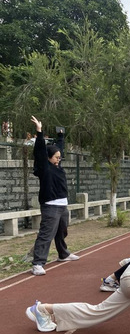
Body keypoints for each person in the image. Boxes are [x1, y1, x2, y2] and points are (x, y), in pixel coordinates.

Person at [30, 116, 79, 276]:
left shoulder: (57, 166)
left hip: (62, 205)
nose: (59, 159)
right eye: (56, 157)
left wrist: (61, 136)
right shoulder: (45, 167)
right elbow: (39, 151)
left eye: (60, 157)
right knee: (46, 235)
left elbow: (59, 149)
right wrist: (39, 132)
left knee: (61, 232)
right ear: (48, 157)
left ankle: (63, 254)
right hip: (50, 206)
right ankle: (38, 263)